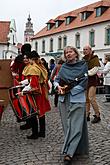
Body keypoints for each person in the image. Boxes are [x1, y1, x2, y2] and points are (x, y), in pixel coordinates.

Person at [54, 46, 89, 165]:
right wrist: (57, 86)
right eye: (66, 52)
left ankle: (69, 153)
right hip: (63, 100)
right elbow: (56, 80)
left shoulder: (82, 65)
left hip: (77, 98)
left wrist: (71, 89)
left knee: (76, 126)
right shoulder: (63, 67)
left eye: (70, 52)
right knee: (67, 126)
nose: (68, 54)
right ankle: (76, 148)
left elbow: (84, 82)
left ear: (75, 53)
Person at [20, 50, 51, 139]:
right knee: (41, 113)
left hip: (36, 93)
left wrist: (23, 91)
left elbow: (33, 84)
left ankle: (35, 134)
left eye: (27, 58)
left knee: (33, 112)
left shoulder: (33, 68)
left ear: (30, 59)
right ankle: (42, 132)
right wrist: (23, 83)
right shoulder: (39, 66)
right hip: (41, 92)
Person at [83, 45, 101, 123]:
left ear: (90, 50)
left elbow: (94, 70)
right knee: (86, 99)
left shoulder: (95, 58)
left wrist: (84, 73)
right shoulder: (83, 59)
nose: (84, 50)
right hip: (85, 81)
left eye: (86, 49)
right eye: (83, 49)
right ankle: (87, 115)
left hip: (92, 81)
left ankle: (97, 115)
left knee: (91, 98)